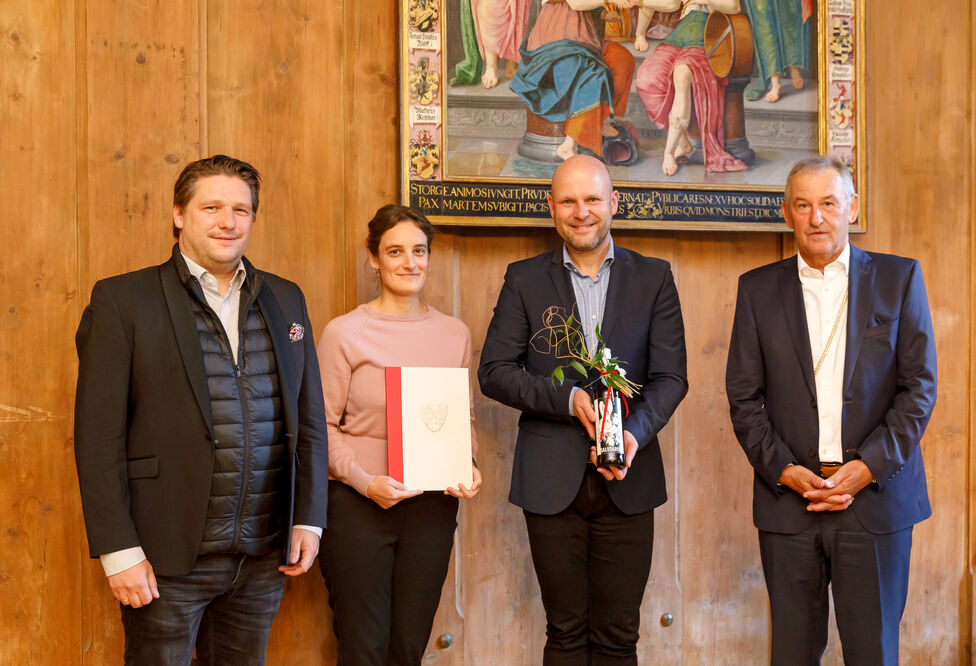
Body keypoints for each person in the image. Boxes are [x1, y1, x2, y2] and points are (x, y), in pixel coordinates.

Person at [73, 155, 329, 664]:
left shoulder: (285, 297)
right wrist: (118, 551)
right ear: (178, 214)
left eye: (241, 210)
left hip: (262, 557)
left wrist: (310, 518)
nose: (227, 222)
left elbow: (308, 418)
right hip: (164, 558)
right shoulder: (123, 301)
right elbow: (97, 438)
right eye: (211, 207)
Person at [725, 156, 937, 665]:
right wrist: (786, 471)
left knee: (872, 653)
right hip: (790, 503)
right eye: (803, 205)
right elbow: (743, 399)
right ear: (786, 213)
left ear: (852, 208)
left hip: (875, 503)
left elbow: (919, 390)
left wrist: (865, 470)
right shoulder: (757, 289)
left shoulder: (899, 278)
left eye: (828, 204)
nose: (816, 217)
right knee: (793, 655)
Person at [479, 154, 688, 664]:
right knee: (566, 633)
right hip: (550, 483)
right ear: (551, 208)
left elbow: (671, 378)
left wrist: (634, 434)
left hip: (629, 481)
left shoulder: (654, 277)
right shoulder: (524, 279)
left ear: (613, 203)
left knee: (619, 637)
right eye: (568, 201)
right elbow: (494, 371)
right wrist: (567, 399)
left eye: (592, 199)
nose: (581, 212)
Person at [316, 204, 482, 665]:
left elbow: (459, 417)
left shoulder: (454, 334)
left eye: (419, 251)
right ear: (374, 258)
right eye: (395, 251)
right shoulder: (344, 333)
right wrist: (364, 481)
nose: (410, 262)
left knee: (407, 648)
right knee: (363, 648)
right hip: (357, 507)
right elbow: (321, 427)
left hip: (431, 507)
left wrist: (467, 464)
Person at [510, 0, 638, 162]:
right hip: (556, 41)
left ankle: (597, 123)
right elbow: (576, 4)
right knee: (592, 73)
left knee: (621, 58)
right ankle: (569, 145)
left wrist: (603, 14)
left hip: (584, 39)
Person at [635, 0, 748, 175]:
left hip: (708, 34)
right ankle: (683, 143)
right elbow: (671, 5)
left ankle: (669, 152)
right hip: (680, 34)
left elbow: (734, 7)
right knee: (648, 77)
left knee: (681, 76)